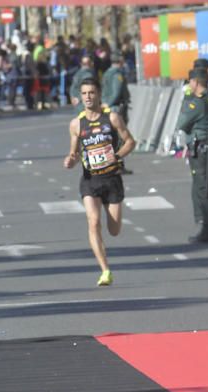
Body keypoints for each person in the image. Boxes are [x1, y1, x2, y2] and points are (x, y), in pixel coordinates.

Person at [63, 78, 136, 286]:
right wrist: (70, 160)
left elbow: (130, 141)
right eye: (84, 93)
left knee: (114, 230)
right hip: (90, 180)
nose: (88, 97)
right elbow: (74, 153)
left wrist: (117, 156)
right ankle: (105, 270)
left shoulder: (112, 118)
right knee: (93, 222)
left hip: (111, 178)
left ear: (99, 94)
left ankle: (105, 265)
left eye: (91, 93)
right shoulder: (76, 124)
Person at [176, 68, 208, 243]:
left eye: (190, 82)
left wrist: (187, 102)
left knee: (204, 190)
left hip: (202, 147)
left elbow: (182, 122)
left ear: (195, 82)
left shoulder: (198, 103)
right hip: (207, 145)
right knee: (206, 188)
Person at [101, 53, 132, 173]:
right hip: (116, 108)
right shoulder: (117, 75)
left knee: (113, 137)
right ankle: (118, 164)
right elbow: (116, 92)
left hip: (109, 106)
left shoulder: (107, 73)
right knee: (119, 138)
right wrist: (109, 103)